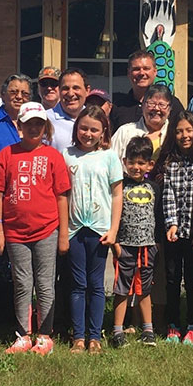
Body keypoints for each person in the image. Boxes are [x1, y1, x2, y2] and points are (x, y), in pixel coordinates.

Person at [0, 102, 71, 355]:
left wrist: (63, 234)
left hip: (47, 229)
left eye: (39, 124)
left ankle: (45, 335)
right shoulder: (6, 155)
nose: (34, 128)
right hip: (14, 232)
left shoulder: (53, 156)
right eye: (29, 123)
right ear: (19, 126)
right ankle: (23, 334)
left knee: (45, 283)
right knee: (22, 282)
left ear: (45, 127)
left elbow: (62, 196)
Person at [62, 105, 123, 354]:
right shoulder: (66, 155)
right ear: (76, 129)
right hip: (75, 229)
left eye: (94, 130)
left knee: (96, 284)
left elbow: (117, 195)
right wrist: (63, 230)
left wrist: (114, 229)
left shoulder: (109, 156)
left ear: (103, 132)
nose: (88, 133)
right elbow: (62, 195)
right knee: (77, 284)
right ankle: (78, 336)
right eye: (83, 128)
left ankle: (95, 337)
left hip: (100, 230)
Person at [154, 110, 193, 346]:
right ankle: (173, 324)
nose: (184, 136)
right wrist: (171, 224)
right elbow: (168, 196)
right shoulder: (170, 161)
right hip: (174, 231)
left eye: (188, 130)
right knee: (173, 278)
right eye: (179, 131)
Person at [110, 137, 161, 348]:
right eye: (132, 162)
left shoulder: (154, 187)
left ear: (150, 164)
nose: (136, 167)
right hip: (125, 246)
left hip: (147, 246)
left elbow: (158, 217)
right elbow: (113, 215)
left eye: (141, 163)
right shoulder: (119, 187)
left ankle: (148, 329)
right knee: (122, 289)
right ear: (124, 161)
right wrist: (116, 246)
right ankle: (117, 330)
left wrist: (156, 244)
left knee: (145, 289)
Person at [110, 50, 184, 133]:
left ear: (155, 72)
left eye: (146, 68)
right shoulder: (118, 107)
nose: (141, 73)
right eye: (136, 69)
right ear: (129, 73)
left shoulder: (172, 104)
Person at [111, 84, 172, 163]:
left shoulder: (174, 133)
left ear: (170, 108)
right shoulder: (125, 132)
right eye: (151, 103)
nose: (156, 108)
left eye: (162, 105)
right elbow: (109, 163)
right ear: (142, 105)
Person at [0, 74, 32, 166]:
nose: (19, 97)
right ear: (3, 95)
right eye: (13, 92)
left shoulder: (37, 125)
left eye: (25, 94)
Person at [47, 67, 88, 152]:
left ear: (87, 90)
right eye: (65, 88)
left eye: (76, 88)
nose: (70, 93)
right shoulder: (45, 119)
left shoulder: (95, 119)